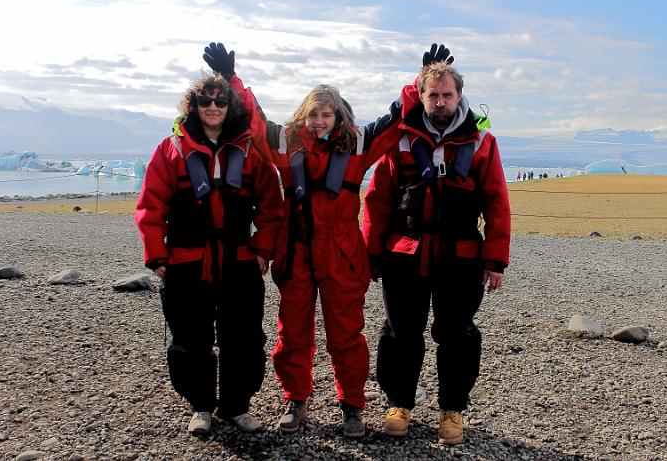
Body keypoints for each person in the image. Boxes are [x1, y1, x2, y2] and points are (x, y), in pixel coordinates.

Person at [202, 42, 449, 438]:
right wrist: (232, 80)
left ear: (339, 116)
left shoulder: (358, 146)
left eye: (326, 114)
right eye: (313, 114)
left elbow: (397, 117)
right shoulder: (286, 144)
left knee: (347, 336)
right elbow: (251, 118)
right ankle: (295, 400)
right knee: (292, 334)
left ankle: (352, 405)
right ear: (304, 115)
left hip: (342, 258)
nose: (319, 121)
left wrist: (420, 79)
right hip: (296, 255)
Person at [362, 55, 511, 445]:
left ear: (460, 96)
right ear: (422, 96)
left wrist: (495, 261)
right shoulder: (402, 138)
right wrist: (371, 255)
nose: (440, 102)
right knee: (400, 332)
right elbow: (377, 200)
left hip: (460, 257)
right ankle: (399, 405)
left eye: (447, 94)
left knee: (457, 333)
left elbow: (497, 202)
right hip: (405, 255)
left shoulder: (481, 142)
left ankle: (452, 410)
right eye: (433, 95)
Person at [135, 74, 283, 436]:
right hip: (186, 262)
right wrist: (157, 258)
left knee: (245, 338)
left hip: (239, 261)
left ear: (231, 106)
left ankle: (237, 405)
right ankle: (200, 406)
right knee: (190, 340)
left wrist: (262, 250)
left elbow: (271, 206)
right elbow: (150, 206)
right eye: (205, 101)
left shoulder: (251, 150)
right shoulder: (172, 149)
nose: (213, 107)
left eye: (220, 101)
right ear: (194, 105)